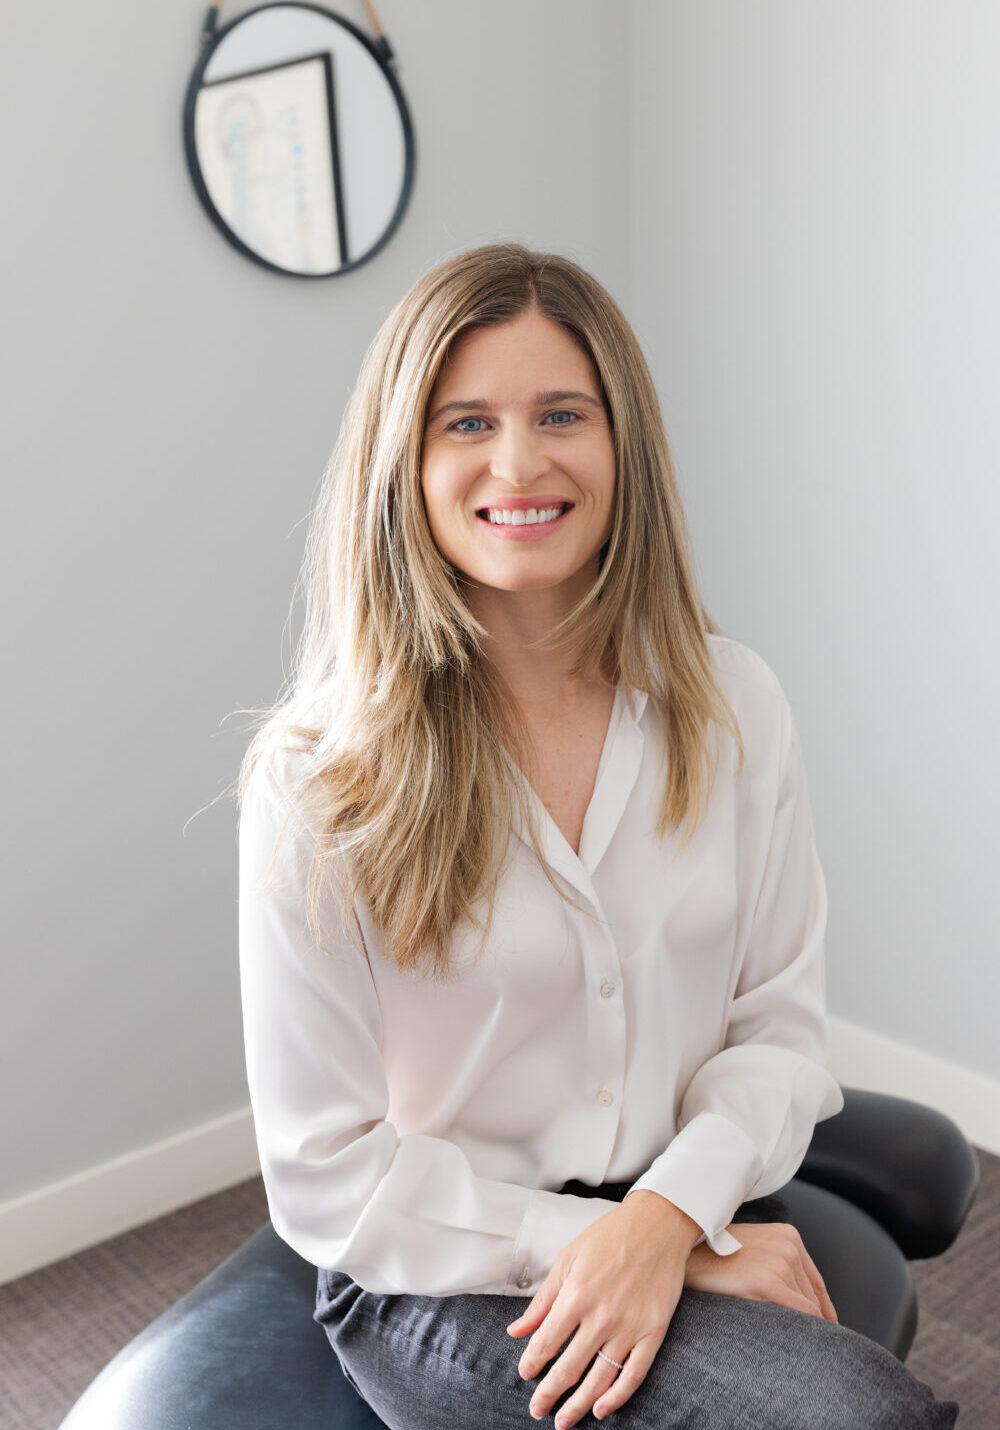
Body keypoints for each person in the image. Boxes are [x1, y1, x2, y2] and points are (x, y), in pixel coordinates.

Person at [236, 242, 960, 1428]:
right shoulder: (318, 777)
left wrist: (663, 1220)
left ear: (623, 444)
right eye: (464, 421)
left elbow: (777, 1032)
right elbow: (327, 1176)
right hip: (439, 1268)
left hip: (669, 1193)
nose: (517, 462)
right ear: (403, 460)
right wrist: (617, 1242)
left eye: (560, 413)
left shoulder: (734, 704)